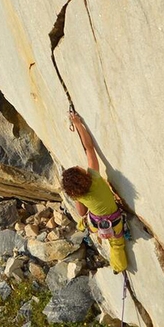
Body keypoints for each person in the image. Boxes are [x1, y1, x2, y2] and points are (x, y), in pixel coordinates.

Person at [61, 112, 128, 274]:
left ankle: (83, 227)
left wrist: (76, 197)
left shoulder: (80, 195)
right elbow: (89, 147)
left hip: (97, 224)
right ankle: (118, 267)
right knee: (117, 245)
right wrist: (78, 123)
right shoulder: (95, 177)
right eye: (77, 167)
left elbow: (82, 212)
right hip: (115, 222)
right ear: (81, 173)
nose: (79, 165)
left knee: (85, 220)